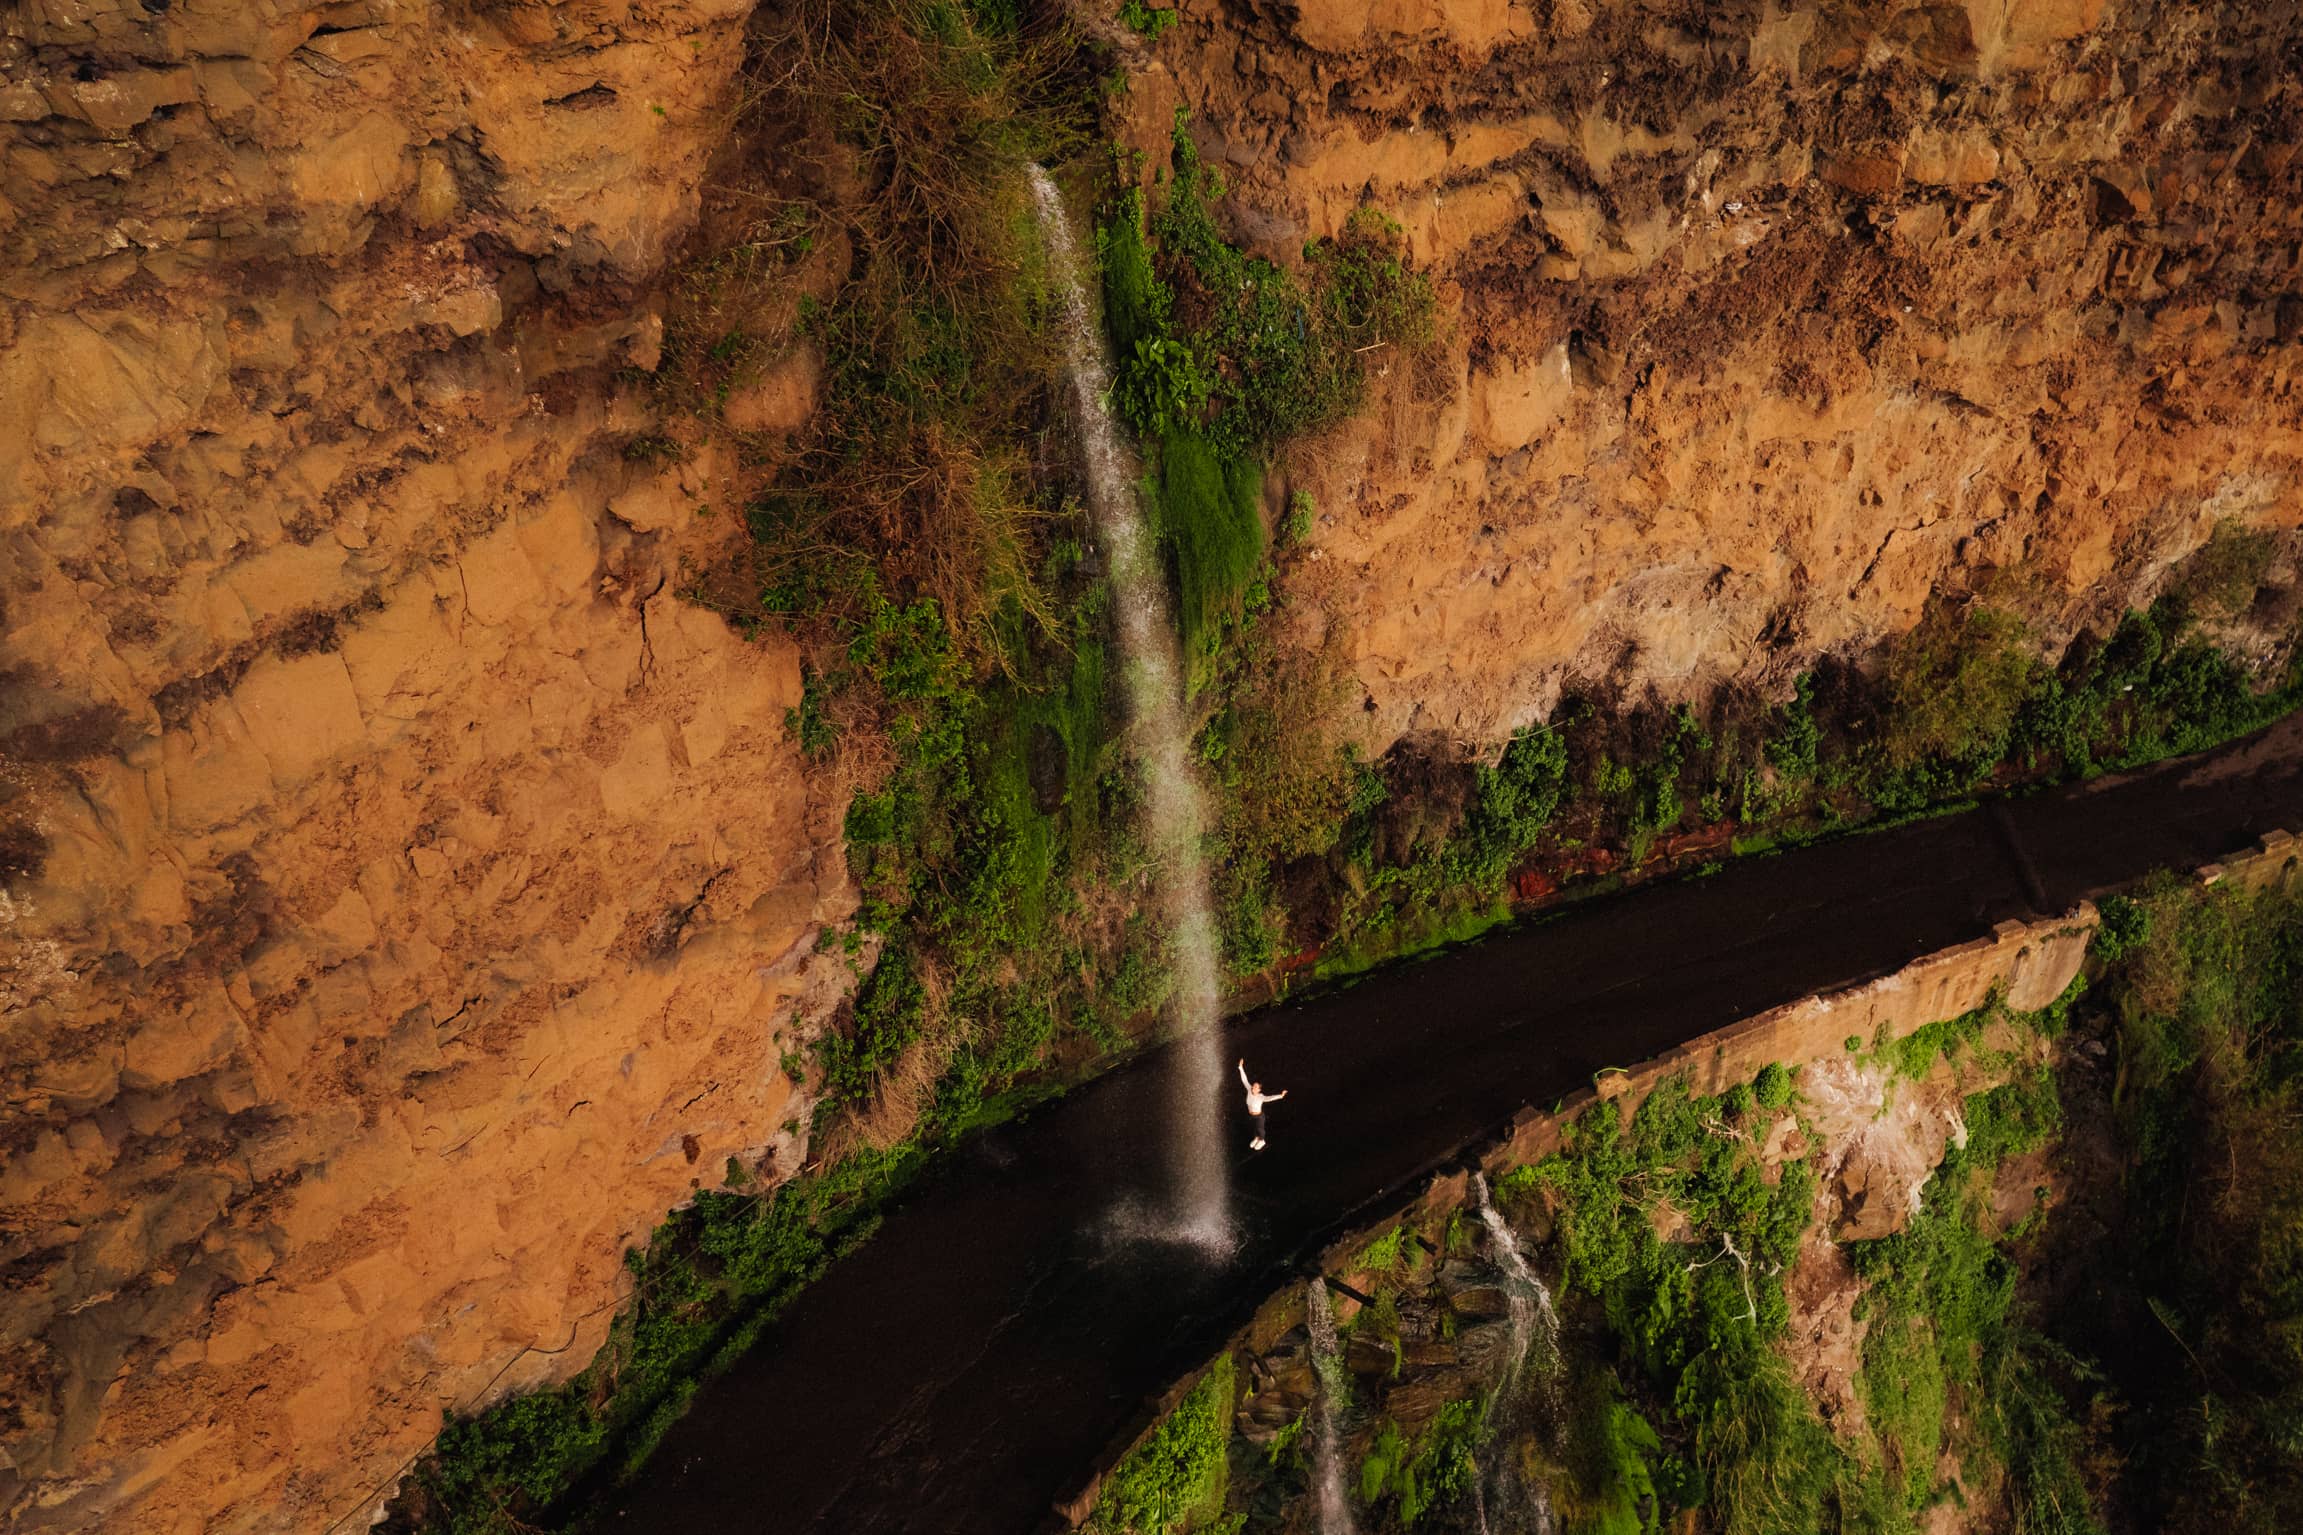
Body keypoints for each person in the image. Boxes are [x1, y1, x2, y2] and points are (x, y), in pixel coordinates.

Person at [1237, 1059, 1287, 1151]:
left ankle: (1262, 1140)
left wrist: (1281, 1095)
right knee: (1255, 1128)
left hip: (1259, 1116)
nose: (1253, 1087)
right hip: (1252, 1115)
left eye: (1255, 1087)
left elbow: (1270, 1098)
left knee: (1260, 1128)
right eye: (1253, 1085)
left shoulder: (1261, 1096)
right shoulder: (1249, 1089)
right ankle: (1256, 1138)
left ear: (1259, 1090)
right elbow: (1244, 1079)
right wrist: (1241, 1067)